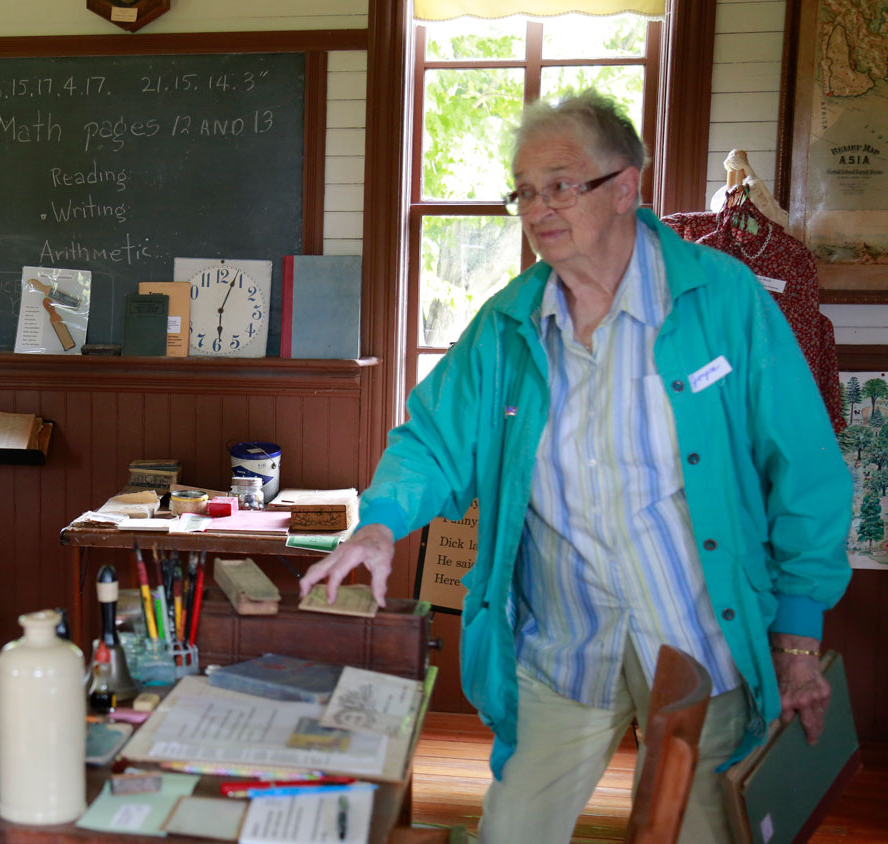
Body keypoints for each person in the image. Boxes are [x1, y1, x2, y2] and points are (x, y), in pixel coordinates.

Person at [300, 90, 850, 843]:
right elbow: (432, 439)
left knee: (698, 831)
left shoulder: (722, 300)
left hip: (700, 639)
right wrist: (378, 525)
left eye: (560, 185)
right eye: (524, 191)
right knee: (512, 830)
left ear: (625, 187)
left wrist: (797, 633)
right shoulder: (507, 325)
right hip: (566, 643)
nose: (537, 208)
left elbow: (807, 467)